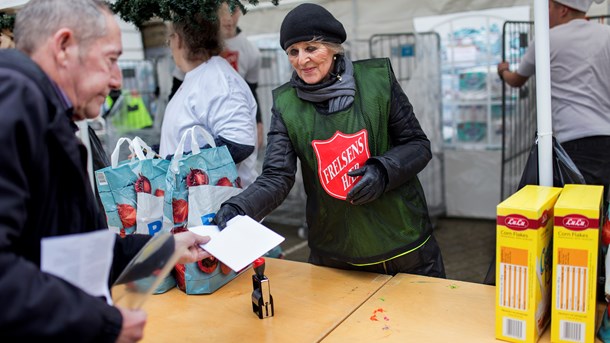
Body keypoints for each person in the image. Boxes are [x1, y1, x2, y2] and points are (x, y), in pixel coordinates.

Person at [0, 1, 212, 341]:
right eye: (111, 60)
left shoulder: (38, 109)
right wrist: (102, 324)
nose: (116, 81)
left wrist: (166, 249)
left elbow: (74, 250)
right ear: (64, 46)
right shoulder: (14, 100)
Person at [214, 3, 445, 277]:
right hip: (337, 252)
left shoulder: (377, 81)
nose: (302, 60)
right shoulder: (286, 104)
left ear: (334, 48)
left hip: (402, 243)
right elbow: (277, 175)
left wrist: (383, 170)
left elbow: (418, 145)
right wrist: (240, 206)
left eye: (311, 48)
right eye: (293, 51)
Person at [497, 0, 610, 200]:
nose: (546, 13)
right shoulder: (606, 34)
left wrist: (503, 70)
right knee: (604, 212)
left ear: (563, 9)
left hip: (575, 141)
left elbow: (516, 80)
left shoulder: (546, 40)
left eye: (548, 7)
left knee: (578, 216)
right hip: (606, 134)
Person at [159, 8, 258, 188]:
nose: (169, 45)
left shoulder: (217, 80)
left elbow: (239, 143)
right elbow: (185, 138)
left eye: (169, 39)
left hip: (224, 212)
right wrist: (155, 155)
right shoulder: (198, 77)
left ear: (178, 39)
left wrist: (175, 164)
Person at [218, 2, 265, 148]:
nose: (228, 18)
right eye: (222, 12)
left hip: (239, 122)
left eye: (232, 11)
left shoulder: (251, 51)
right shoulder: (200, 47)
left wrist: (258, 122)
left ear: (240, 11)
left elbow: (251, 90)